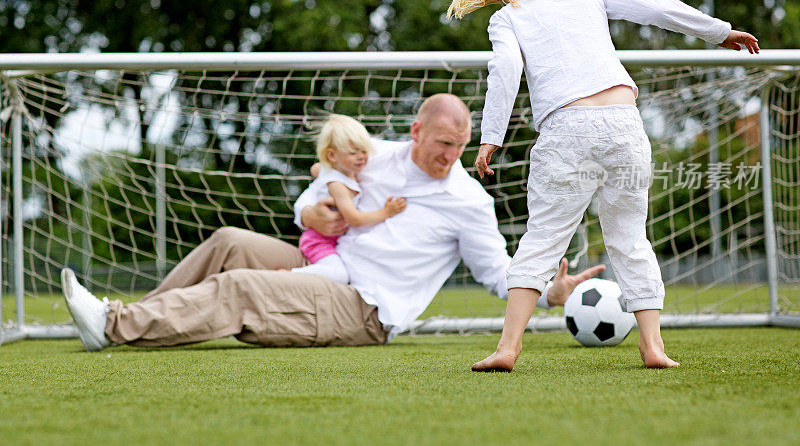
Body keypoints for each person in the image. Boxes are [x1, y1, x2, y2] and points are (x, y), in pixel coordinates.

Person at [446, 0, 759, 371]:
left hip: (566, 131)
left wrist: (491, 137)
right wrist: (719, 32)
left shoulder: (509, 16)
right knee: (630, 238)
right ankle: (653, 347)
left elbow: (506, 71)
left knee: (542, 240)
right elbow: (655, 7)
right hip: (624, 125)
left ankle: (508, 348)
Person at [61, 94, 604, 352]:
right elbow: (320, 186)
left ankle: (114, 325)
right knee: (229, 242)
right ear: (416, 132)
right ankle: (135, 317)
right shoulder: (377, 155)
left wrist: (550, 291)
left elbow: (497, 275)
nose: (451, 156)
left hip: (362, 307)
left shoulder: (468, 201)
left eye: (460, 147)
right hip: (322, 261)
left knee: (241, 289)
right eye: (443, 144)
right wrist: (306, 210)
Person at [295, 114, 406, 285]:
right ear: (332, 156)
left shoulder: (339, 170)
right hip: (319, 240)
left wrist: (320, 170)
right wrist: (386, 212)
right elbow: (354, 219)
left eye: (364, 150)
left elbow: (316, 168)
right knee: (340, 275)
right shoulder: (338, 185)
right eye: (354, 153)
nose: (362, 157)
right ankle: (290, 275)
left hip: (332, 240)